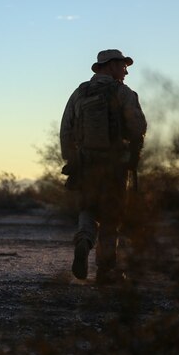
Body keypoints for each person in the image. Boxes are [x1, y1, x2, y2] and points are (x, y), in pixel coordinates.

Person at [60, 49, 147, 283]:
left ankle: (84, 241)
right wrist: (133, 155)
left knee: (88, 208)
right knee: (111, 215)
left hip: (86, 162)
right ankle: (105, 270)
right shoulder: (123, 92)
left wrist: (72, 160)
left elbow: (66, 128)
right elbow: (138, 127)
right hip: (115, 165)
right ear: (110, 66)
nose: (126, 71)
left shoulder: (80, 93)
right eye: (122, 66)